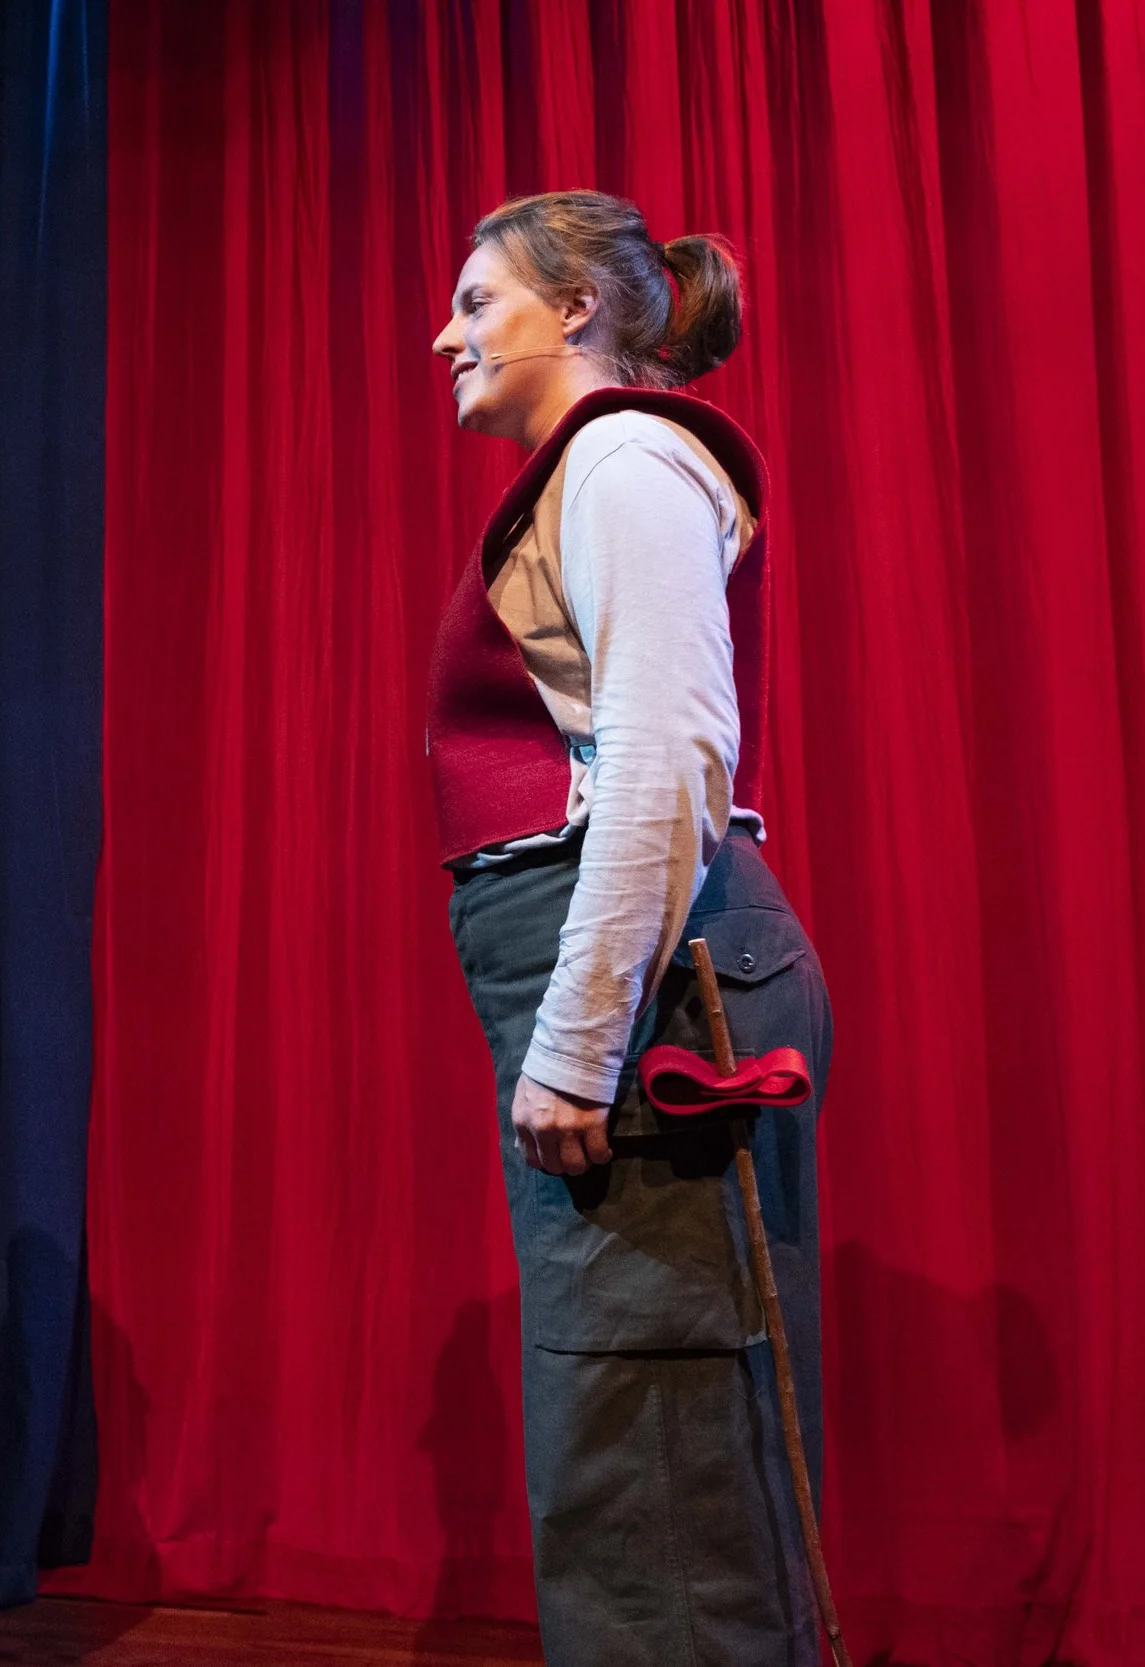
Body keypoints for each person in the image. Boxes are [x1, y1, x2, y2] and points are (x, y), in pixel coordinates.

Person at [426, 191, 832, 1665]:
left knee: (651, 1448)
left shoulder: (619, 456)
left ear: (579, 307)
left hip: (660, 999)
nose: (447, 331)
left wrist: (581, 1041)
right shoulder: (596, 470)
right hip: (662, 975)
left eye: (478, 301)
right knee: (645, 1440)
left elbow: (667, 759)